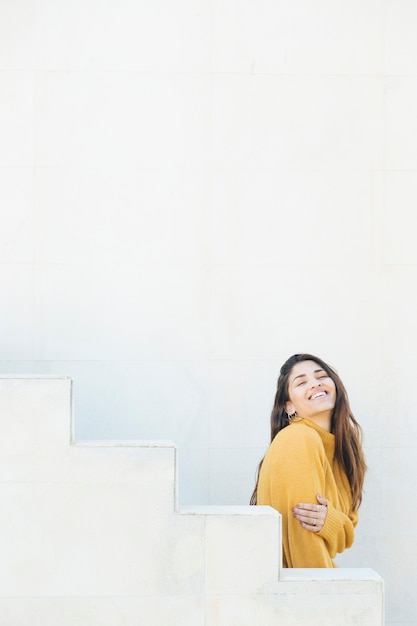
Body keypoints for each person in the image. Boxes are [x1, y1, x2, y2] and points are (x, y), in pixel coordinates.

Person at [250, 354, 366, 568]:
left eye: (321, 376)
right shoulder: (299, 438)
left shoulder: (344, 453)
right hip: (303, 588)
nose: (315, 383)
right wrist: (325, 597)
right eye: (302, 382)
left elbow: (346, 534)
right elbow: (303, 539)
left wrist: (329, 520)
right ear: (289, 407)